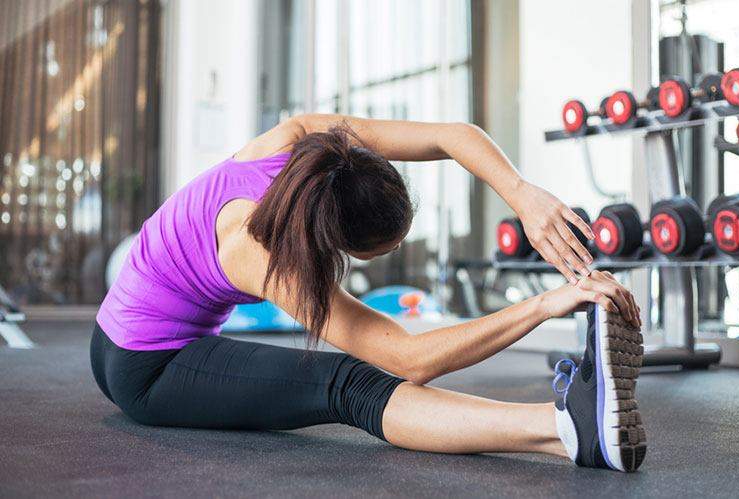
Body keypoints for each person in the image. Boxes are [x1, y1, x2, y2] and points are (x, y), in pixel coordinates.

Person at [91, 114, 644, 472]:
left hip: (114, 327)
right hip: (146, 367)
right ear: (339, 244)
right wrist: (544, 305)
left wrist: (523, 196)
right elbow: (410, 358)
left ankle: (575, 432)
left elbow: (450, 135)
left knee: (352, 372)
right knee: (349, 383)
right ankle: (566, 425)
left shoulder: (305, 143)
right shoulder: (256, 250)